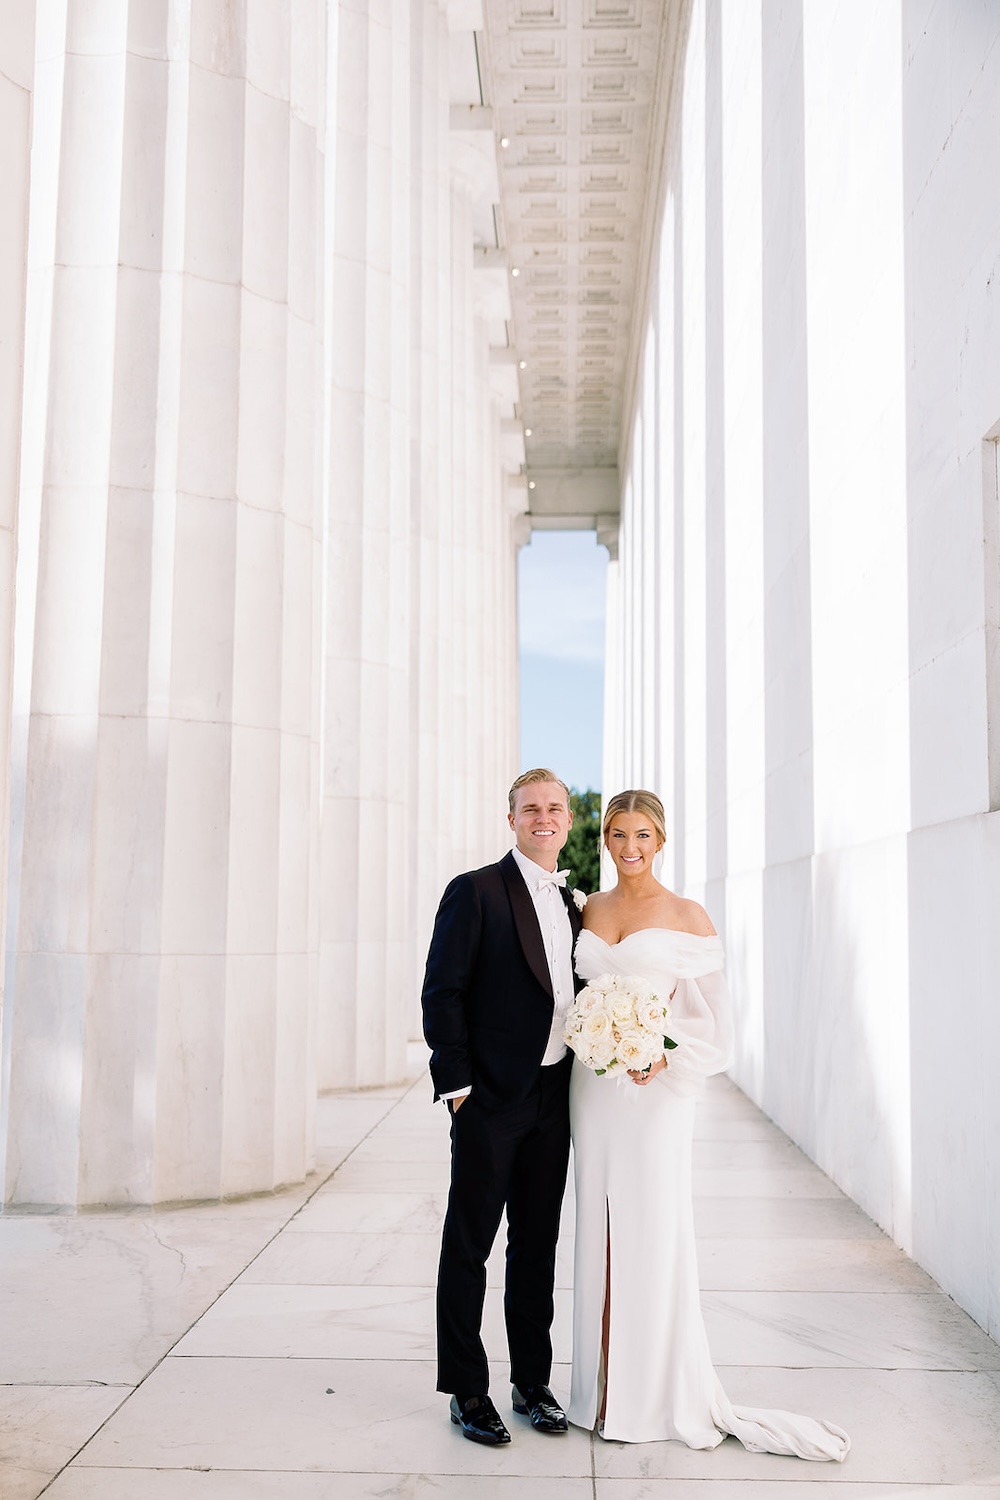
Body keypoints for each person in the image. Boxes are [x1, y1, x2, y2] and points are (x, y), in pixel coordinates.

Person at [567, 788, 850, 1461]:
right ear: (605, 839)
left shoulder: (688, 915)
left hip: (657, 1093)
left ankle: (654, 1393)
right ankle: (598, 1392)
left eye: (642, 836)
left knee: (654, 1226)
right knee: (595, 1228)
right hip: (592, 1091)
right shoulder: (588, 909)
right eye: (617, 835)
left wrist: (656, 1057)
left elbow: (716, 1026)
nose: (629, 848)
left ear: (660, 841)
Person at [422, 769, 584, 1445]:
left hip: (554, 1096)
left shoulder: (576, 902)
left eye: (553, 809)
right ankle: (467, 1389)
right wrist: (459, 1091)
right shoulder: (477, 891)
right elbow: (442, 991)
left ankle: (531, 1381)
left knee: (537, 1245)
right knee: (470, 1245)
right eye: (530, 809)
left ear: (568, 821)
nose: (542, 818)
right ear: (511, 819)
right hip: (489, 1100)